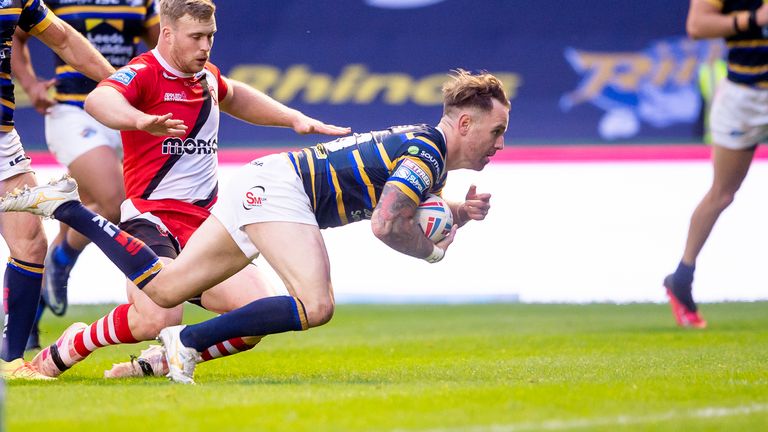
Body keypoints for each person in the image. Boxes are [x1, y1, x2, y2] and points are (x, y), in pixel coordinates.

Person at [0, 68, 508, 383]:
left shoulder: (427, 153)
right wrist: (431, 252)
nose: (500, 143)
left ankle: (70, 211)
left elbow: (407, 205)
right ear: (465, 123)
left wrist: (458, 213)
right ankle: (186, 345)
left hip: (266, 184)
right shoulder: (427, 152)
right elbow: (385, 223)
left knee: (166, 289)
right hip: (283, 193)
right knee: (316, 304)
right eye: (497, 131)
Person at [10, 0, 350, 379]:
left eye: (211, 37)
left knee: (258, 313)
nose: (205, 47)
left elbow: (235, 95)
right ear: (168, 34)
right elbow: (98, 99)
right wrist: (140, 119)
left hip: (207, 227)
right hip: (151, 219)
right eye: (197, 37)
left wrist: (293, 119)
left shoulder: (207, 77)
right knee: (156, 316)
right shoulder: (143, 72)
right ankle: (75, 343)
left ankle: (156, 361)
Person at [12, 0, 161, 350]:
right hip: (72, 111)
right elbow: (18, 35)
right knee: (113, 201)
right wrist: (31, 84)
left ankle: (30, 318)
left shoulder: (142, 2)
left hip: (122, 113)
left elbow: (163, 49)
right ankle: (62, 260)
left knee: (91, 205)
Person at [0, 0, 115, 380]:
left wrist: (118, 83)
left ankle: (11, 361)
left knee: (31, 242)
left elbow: (64, 40)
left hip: (2, 140)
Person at [664, 0, 768, 328]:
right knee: (722, 193)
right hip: (746, 95)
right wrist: (755, 18)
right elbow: (697, 26)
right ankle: (682, 277)